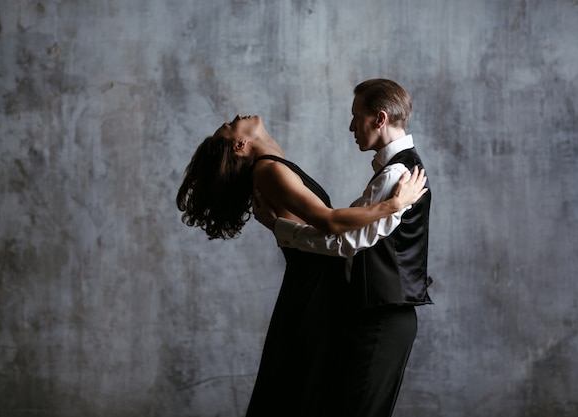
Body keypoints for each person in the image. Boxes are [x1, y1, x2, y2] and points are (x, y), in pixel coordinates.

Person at [175, 113, 428, 417]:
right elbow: (330, 221)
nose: (236, 117)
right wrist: (393, 205)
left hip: (317, 287)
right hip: (314, 292)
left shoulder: (272, 166)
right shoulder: (269, 171)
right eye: (230, 125)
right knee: (302, 396)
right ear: (241, 144)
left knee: (306, 395)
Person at [253, 79, 432, 417]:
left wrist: (279, 227)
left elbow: (344, 242)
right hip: (376, 313)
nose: (351, 126)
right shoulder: (396, 170)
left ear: (379, 119)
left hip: (382, 317)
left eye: (356, 117)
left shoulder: (397, 175)